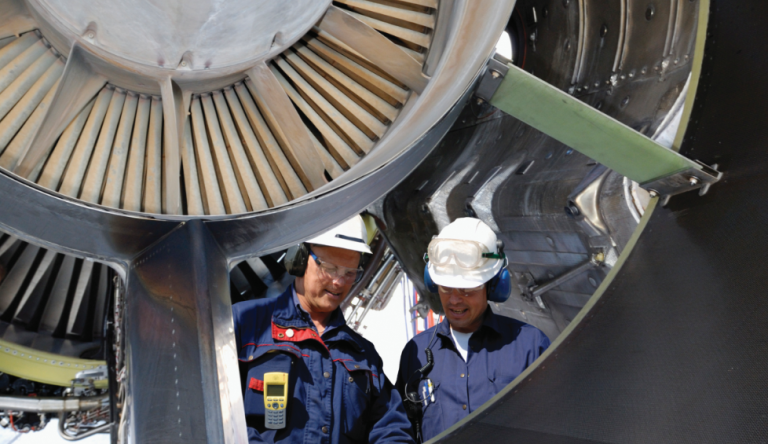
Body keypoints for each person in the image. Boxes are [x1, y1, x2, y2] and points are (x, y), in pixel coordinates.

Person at [232, 215, 414, 444]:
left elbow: (392, 429)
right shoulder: (244, 323)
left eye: (350, 273)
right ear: (298, 259)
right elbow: (212, 412)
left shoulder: (363, 356)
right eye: (330, 268)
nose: (339, 282)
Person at [396, 218, 550, 442]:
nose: (455, 300)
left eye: (468, 289)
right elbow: (399, 429)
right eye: (446, 288)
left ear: (493, 285)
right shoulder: (416, 352)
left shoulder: (530, 346)